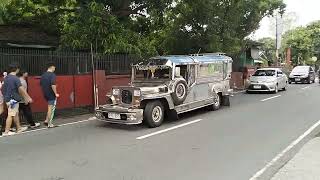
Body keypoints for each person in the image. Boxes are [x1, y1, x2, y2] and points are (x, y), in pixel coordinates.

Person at [1, 64, 32, 136]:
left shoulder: (6, 78)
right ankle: (6, 131)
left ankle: (19, 128)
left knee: (15, 113)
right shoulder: (15, 78)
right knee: (11, 114)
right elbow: (21, 89)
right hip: (13, 100)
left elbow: (2, 89)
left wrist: (6, 96)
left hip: (8, 98)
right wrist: (27, 97)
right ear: (17, 69)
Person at [40, 62, 59, 128]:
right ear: (51, 67)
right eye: (54, 67)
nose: (55, 69)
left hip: (45, 93)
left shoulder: (43, 75)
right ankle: (50, 123)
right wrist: (56, 93)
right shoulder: (52, 75)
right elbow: (53, 84)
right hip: (51, 94)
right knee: (51, 108)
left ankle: (46, 120)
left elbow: (41, 84)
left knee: (49, 107)